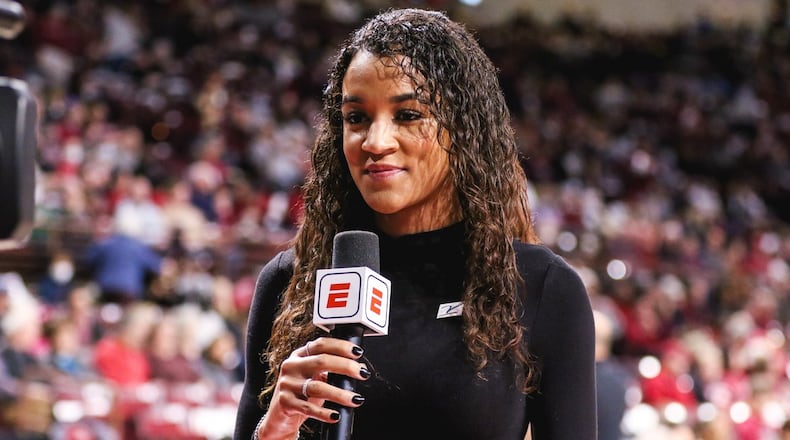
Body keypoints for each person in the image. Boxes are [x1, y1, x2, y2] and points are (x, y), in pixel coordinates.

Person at [234, 8, 596, 440]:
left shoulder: (540, 287)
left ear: (463, 128)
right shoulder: (289, 283)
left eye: (408, 115)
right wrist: (272, 431)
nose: (375, 141)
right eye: (356, 118)